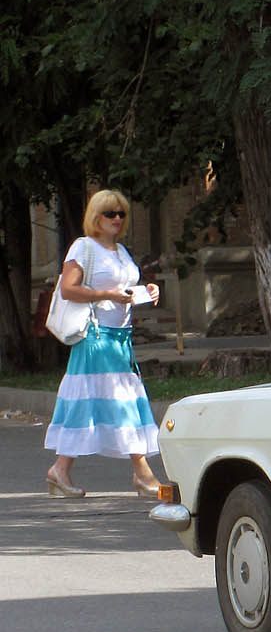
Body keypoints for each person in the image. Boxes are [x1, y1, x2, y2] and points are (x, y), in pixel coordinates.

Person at [44, 189, 163, 499]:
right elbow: (69, 289)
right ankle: (143, 473)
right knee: (120, 402)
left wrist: (145, 291)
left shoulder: (121, 251)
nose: (117, 219)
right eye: (110, 213)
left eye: (121, 213)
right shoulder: (84, 248)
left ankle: (60, 470)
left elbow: (124, 288)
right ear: (95, 217)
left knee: (93, 404)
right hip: (96, 338)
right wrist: (107, 295)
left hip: (119, 338)